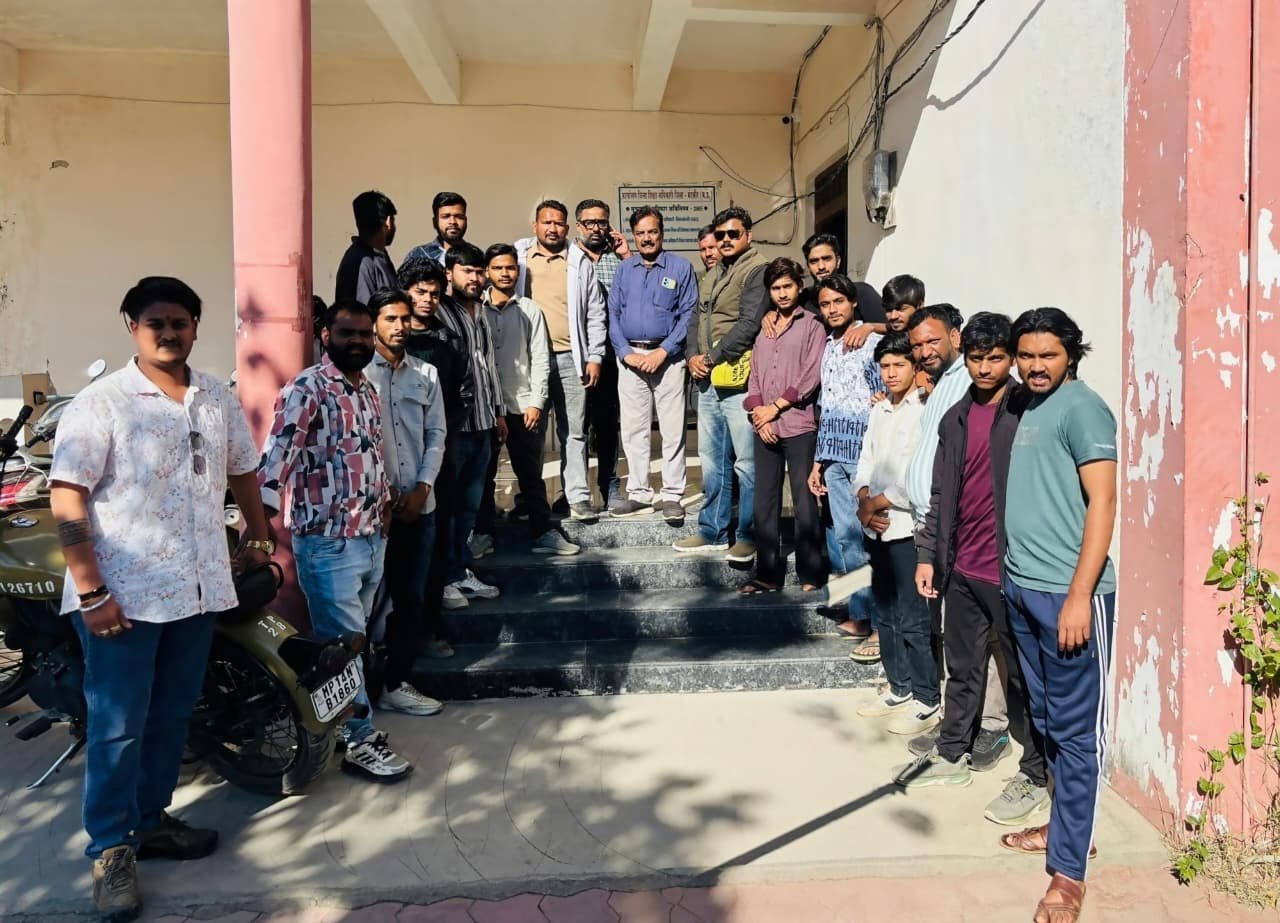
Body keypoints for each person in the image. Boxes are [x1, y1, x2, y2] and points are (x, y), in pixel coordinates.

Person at [49, 277, 273, 920]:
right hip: (123, 597)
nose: (169, 333)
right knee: (118, 727)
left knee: (173, 717)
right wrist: (91, 591)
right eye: (156, 323)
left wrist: (258, 534)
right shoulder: (102, 403)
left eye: (180, 322)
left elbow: (242, 468)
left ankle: (150, 821)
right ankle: (111, 850)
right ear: (132, 326)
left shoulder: (215, 396)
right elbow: (67, 497)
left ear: (196, 327)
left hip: (197, 590)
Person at [897, 314, 1051, 827]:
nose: (985, 368)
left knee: (1027, 680)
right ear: (965, 357)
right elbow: (942, 492)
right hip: (961, 569)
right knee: (962, 668)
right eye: (977, 359)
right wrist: (928, 555)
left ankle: (1035, 775)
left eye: (996, 358)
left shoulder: (1027, 411)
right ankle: (951, 755)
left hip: (1013, 573)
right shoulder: (956, 418)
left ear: (1010, 359)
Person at [258, 298, 413, 782]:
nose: (358, 342)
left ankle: (344, 724)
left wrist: (384, 508)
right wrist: (257, 531)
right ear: (326, 335)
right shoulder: (307, 388)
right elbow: (276, 459)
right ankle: (360, 741)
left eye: (365, 334)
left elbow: (369, 456)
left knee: (351, 642)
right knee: (342, 646)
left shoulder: (366, 389)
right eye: (348, 333)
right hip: (328, 544)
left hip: (369, 538)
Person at [997, 308, 1117, 923]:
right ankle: (1065, 826)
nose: (1036, 365)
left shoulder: (1083, 409)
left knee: (1074, 733)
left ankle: (1069, 875)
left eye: (1048, 354)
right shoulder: (1026, 403)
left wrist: (1078, 596)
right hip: (1023, 591)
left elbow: (1104, 502)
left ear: (1071, 353)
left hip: (1069, 598)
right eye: (1027, 355)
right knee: (1044, 720)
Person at [364, 289, 449, 714]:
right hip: (371, 511)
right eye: (390, 319)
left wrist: (421, 489)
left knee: (410, 598)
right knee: (364, 602)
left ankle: (396, 683)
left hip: (419, 507)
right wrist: (387, 493)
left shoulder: (426, 374)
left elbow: (436, 435)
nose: (399, 327)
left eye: (403, 318)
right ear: (373, 325)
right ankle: (359, 690)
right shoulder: (359, 375)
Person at [846, 332, 936, 731]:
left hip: (905, 527)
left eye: (899, 365)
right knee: (885, 612)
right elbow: (864, 461)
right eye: (884, 366)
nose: (891, 373)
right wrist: (863, 499)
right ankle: (899, 687)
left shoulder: (924, 410)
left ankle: (926, 697)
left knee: (913, 616)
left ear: (915, 368)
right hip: (875, 527)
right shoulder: (879, 411)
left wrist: (876, 503)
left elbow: (917, 474)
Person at [473, 243, 579, 555]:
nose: (505, 273)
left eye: (510, 267)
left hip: (522, 405)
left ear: (518, 271)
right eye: (498, 268)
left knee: (531, 475)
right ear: (487, 272)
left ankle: (542, 532)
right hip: (487, 408)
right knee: (485, 475)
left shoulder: (530, 310)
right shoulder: (476, 310)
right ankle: (483, 534)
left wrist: (536, 402)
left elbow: (541, 358)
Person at [675, 206, 768, 562]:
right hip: (708, 378)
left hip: (738, 377)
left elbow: (749, 324)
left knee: (746, 462)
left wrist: (711, 357)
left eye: (733, 234)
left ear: (748, 235)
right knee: (712, 460)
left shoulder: (757, 270)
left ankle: (748, 535)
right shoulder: (714, 272)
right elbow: (695, 318)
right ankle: (712, 531)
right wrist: (692, 356)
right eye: (721, 235)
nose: (726, 240)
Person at [514, 200, 608, 521]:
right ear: (535, 226)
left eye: (558, 223)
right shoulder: (520, 257)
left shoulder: (579, 260)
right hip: (531, 360)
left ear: (567, 228)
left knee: (575, 431)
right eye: (546, 222)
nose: (552, 229)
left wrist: (595, 356)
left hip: (571, 358)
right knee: (531, 434)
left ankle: (577, 497)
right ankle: (531, 498)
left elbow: (595, 312)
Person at [806, 274, 882, 656]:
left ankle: (881, 625)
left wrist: (873, 326)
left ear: (853, 302)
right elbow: (827, 405)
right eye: (825, 303)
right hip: (833, 456)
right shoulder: (828, 346)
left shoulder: (873, 342)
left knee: (874, 541)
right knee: (847, 539)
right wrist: (818, 462)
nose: (832, 309)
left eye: (838, 301)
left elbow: (885, 395)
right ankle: (860, 614)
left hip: (865, 456)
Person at [740, 258, 826, 593]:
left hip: (798, 424)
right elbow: (755, 376)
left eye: (788, 286)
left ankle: (811, 573)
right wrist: (758, 414)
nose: (782, 293)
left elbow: (810, 375)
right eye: (776, 288)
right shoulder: (765, 327)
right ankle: (766, 574)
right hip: (765, 426)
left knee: (804, 501)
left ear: (799, 286)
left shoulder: (813, 325)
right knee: (764, 501)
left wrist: (774, 408)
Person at [399, 257, 471, 657]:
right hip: (391, 463)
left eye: (434, 293)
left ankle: (428, 627)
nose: (427, 300)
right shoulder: (390, 341)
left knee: (435, 545)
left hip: (437, 457)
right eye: (420, 292)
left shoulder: (448, 341)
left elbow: (460, 395)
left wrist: (441, 439)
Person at [607, 206, 697, 523]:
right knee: (634, 431)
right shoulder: (624, 270)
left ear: (662, 233)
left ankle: (672, 495)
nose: (647, 238)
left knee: (672, 430)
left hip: (668, 359)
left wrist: (665, 350)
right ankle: (639, 493)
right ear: (634, 235)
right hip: (631, 358)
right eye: (640, 233)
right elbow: (613, 313)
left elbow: (689, 314)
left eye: (652, 231)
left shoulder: (681, 267)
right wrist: (624, 351)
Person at [436, 243, 506, 607]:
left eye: (480, 272)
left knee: (469, 507)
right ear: (449, 273)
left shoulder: (481, 311)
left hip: (483, 423)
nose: (476, 278)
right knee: (448, 507)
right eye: (468, 271)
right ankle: (445, 579)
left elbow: (487, 366)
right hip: (455, 429)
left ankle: (460, 571)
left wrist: (498, 412)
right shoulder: (439, 312)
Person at [576, 198, 628, 508]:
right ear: (578, 225)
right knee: (576, 426)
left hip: (610, 355)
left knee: (608, 424)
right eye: (589, 222)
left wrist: (627, 255)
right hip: (575, 355)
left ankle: (610, 486)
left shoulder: (618, 260)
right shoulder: (569, 258)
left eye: (602, 222)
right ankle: (575, 490)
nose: (596, 228)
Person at [800, 232, 887, 335]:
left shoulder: (861, 292)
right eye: (814, 261)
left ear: (838, 261)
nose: (821, 266)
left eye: (826, 259)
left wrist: (870, 327)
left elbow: (893, 327)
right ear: (808, 266)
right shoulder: (804, 298)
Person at [336, 190, 398, 303]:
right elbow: (364, 308)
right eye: (394, 220)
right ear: (388, 222)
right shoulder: (362, 262)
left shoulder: (379, 255)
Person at [402, 191, 469, 267]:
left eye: (459, 217)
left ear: (466, 220)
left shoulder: (475, 255)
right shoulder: (418, 256)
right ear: (435, 222)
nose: (453, 222)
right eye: (446, 216)